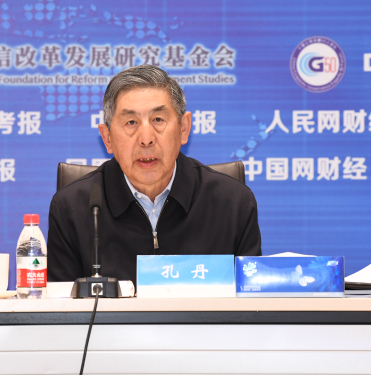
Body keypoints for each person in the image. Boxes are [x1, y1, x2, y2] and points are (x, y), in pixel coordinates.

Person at [47, 65, 261, 286]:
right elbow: (59, 304)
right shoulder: (73, 208)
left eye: (158, 119)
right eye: (131, 122)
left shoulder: (233, 203)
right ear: (107, 138)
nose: (146, 138)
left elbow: (254, 299)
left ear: (184, 128)